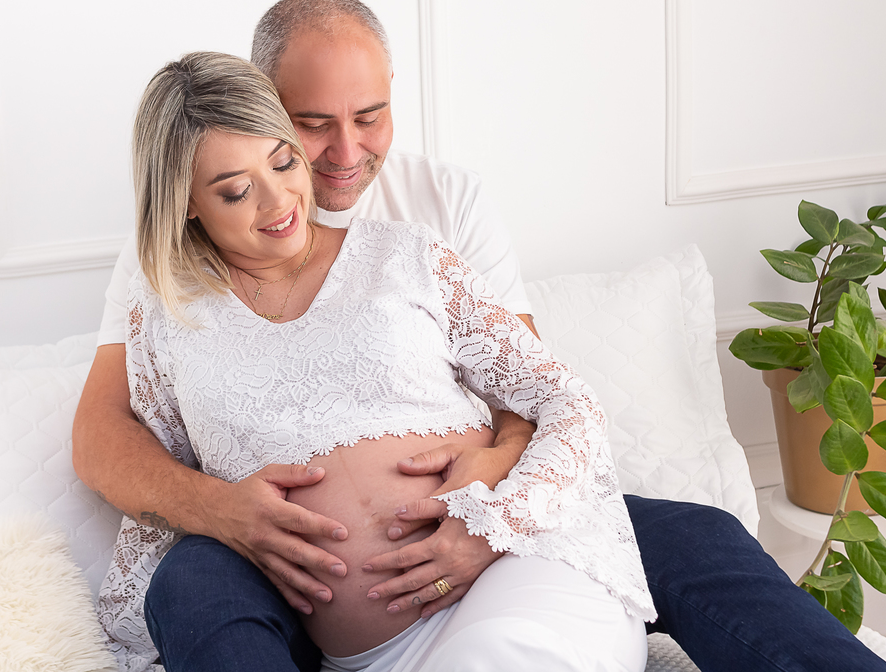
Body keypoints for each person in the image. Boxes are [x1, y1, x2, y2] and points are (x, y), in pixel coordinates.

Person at [74, 0, 886, 672]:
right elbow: (109, 434)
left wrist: (493, 499)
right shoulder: (163, 286)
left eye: (369, 114)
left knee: (694, 534)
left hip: (496, 530)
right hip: (298, 580)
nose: (338, 156)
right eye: (311, 125)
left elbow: (536, 394)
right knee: (191, 584)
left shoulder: (432, 217)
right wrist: (220, 510)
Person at [102, 48, 653, 672]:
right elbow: (163, 462)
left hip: (519, 576)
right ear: (187, 204)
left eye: (284, 162)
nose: (277, 200)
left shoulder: (407, 255)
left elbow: (566, 401)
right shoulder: (165, 312)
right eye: (235, 191)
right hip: (369, 655)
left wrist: (498, 520)